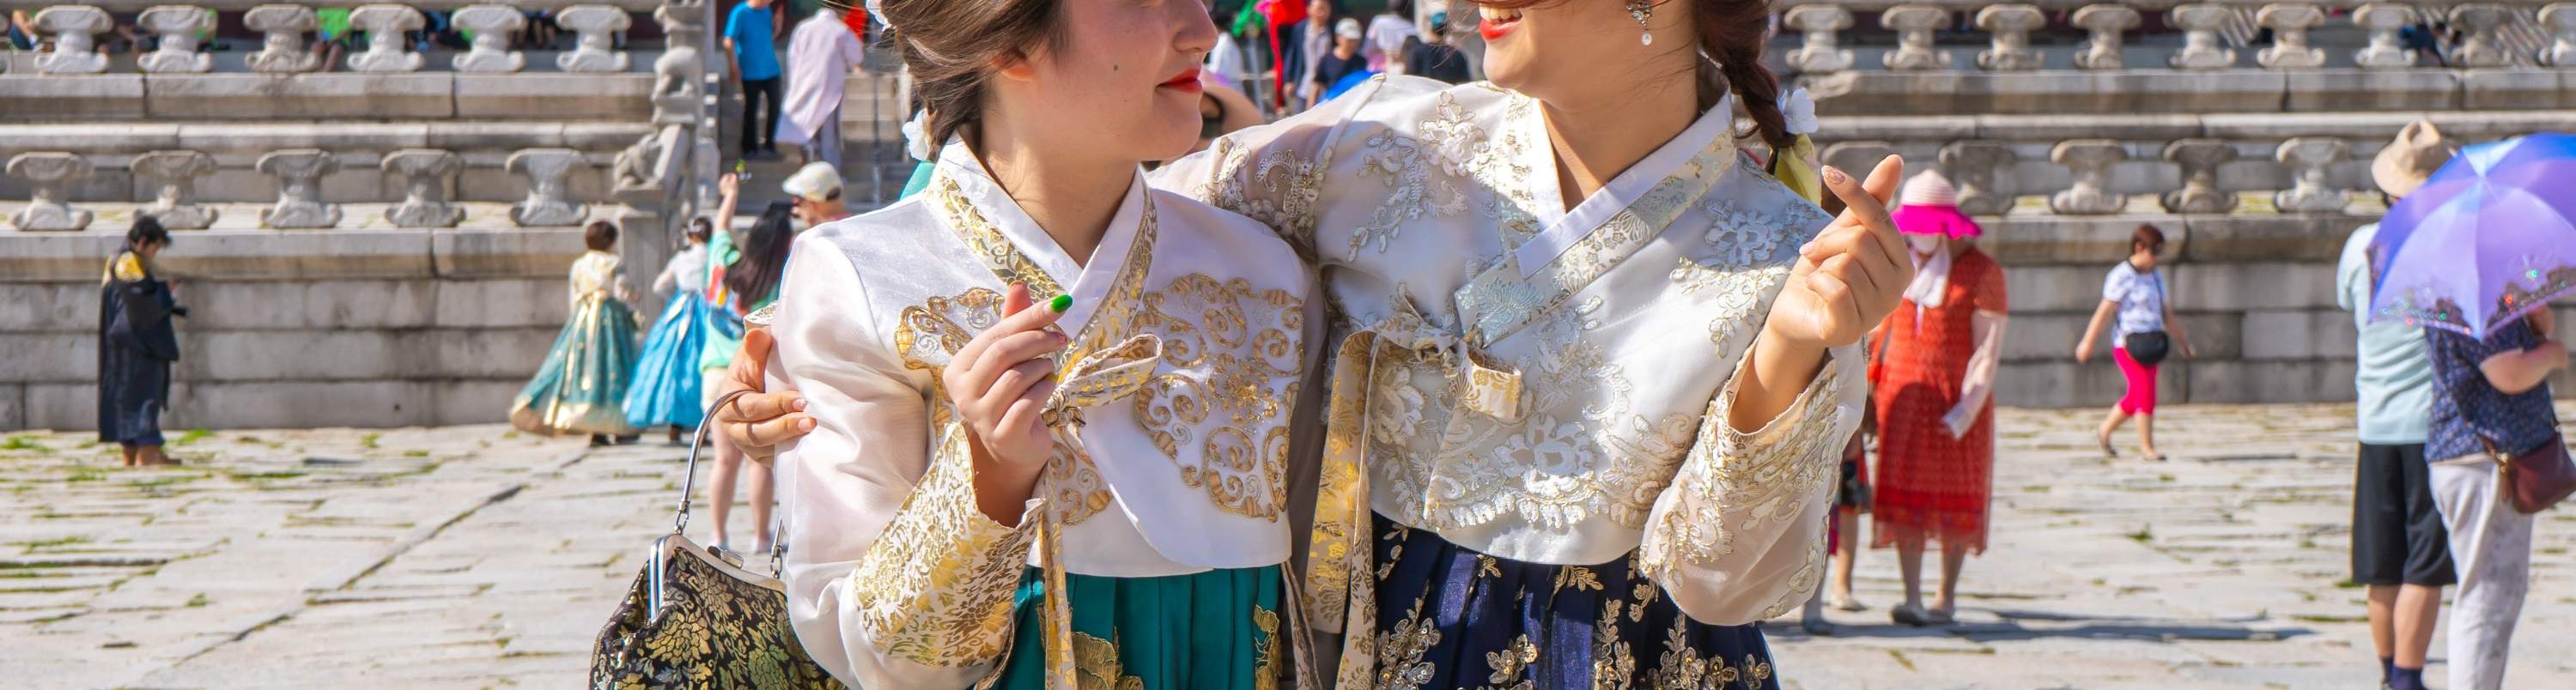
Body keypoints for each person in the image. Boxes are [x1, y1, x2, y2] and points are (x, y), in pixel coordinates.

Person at [722, 0, 1916, 683]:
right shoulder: (1377, 148)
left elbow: (1727, 584)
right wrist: (800, 327)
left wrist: (1783, 365)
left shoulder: (1788, 255)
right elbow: (1101, 211)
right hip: (1362, 652)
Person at [768, 0, 1311, 686]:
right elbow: (881, 663)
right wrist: (988, 476)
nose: (1202, 30)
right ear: (1007, 40)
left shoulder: (1265, 274)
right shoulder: (859, 278)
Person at [2342, 119, 2458, 690]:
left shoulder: (2358, 245)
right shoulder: (2446, 246)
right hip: (2431, 423)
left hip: (2375, 418)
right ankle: (2410, 679)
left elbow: (2349, 303)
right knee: (2426, 562)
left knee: (2380, 563)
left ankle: (2388, 672)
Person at [1868, 171, 2008, 627]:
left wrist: (1968, 406)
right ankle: (1910, 595)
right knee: (1904, 497)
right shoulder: (1896, 267)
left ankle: (1945, 597)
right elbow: (1874, 332)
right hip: (1902, 399)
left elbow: (1988, 349)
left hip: (1954, 405)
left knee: (1953, 498)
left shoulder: (1982, 273)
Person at [2423, 311, 2561, 690]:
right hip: (2483, 464)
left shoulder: (2475, 297)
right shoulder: (2473, 302)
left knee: (2494, 595)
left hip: (2479, 462)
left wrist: (2534, 314)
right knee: (2487, 599)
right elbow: (2508, 372)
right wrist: (2551, 355)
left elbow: (2536, 329)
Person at [509, 221, 643, 445]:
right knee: (615, 371)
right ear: (610, 242)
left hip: (584, 320)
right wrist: (633, 299)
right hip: (610, 320)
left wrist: (576, 323)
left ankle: (594, 428)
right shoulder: (615, 263)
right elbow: (621, 291)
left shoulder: (579, 264)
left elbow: (574, 296)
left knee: (586, 372)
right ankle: (620, 426)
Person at [2075, 225, 2195, 461]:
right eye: (2154, 251)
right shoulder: (2121, 276)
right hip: (2128, 344)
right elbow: (2104, 311)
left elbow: (2166, 312)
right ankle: (2147, 447)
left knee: (2136, 396)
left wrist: (2183, 342)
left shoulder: (2155, 276)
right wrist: (2087, 342)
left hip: (2151, 342)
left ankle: (2105, 430)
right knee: (2146, 393)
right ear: (2139, 248)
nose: (2156, 258)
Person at [99, 217, 186, 469]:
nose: (154, 253)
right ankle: (147, 451)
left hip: (125, 343)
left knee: (127, 396)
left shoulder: (121, 259)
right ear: (143, 242)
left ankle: (132, 452)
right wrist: (165, 291)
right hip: (137, 343)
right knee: (145, 392)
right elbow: (140, 300)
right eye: (154, 247)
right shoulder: (128, 262)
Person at [625, 217, 719, 444]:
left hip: (681, 310)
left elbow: (659, 285)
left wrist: (676, 300)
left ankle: (675, 426)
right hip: (709, 309)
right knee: (702, 364)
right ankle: (703, 425)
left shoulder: (682, 258)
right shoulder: (714, 255)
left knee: (674, 365)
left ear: (690, 235)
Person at [778, 3, 868, 171]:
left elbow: (793, 56)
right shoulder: (840, 30)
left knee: (805, 123)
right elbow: (856, 56)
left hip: (804, 83)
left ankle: (808, 162)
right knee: (828, 131)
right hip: (830, 87)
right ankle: (830, 169)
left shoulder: (804, 28)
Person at [725, 0, 787, 160]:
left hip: (771, 69)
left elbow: (767, 38)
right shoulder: (740, 12)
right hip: (750, 71)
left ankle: (770, 145)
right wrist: (733, 66)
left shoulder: (767, 12)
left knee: (775, 106)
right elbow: (728, 41)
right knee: (751, 110)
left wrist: (778, 27)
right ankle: (749, 148)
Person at [1282, 0, 1337, 111]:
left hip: (1327, 88)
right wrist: (1288, 80)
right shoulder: (1300, 29)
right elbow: (1292, 55)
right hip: (1304, 84)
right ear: (1309, 10)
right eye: (1319, 9)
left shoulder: (1333, 30)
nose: (1322, 13)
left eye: (1326, 9)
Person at [1307, 18, 1370, 104]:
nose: (1353, 44)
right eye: (1349, 40)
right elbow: (1317, 86)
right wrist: (1310, 112)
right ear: (1338, 37)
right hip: (1330, 106)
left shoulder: (1361, 61)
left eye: (1355, 40)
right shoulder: (1327, 59)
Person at [1400, 11, 1472, 85]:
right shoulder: (1457, 54)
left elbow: (1407, 81)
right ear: (1448, 31)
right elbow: (1464, 83)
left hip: (1423, 95)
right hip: (1447, 95)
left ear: (1430, 29)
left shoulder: (1416, 52)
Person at [780, 161, 851, 227]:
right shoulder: (857, 228)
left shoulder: (811, 238)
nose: (795, 202)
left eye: (799, 198)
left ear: (812, 204)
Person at [1363, 0, 1416, 74]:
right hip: (1400, 69)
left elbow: (1368, 48)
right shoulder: (1411, 26)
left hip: (1377, 68)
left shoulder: (1379, 21)